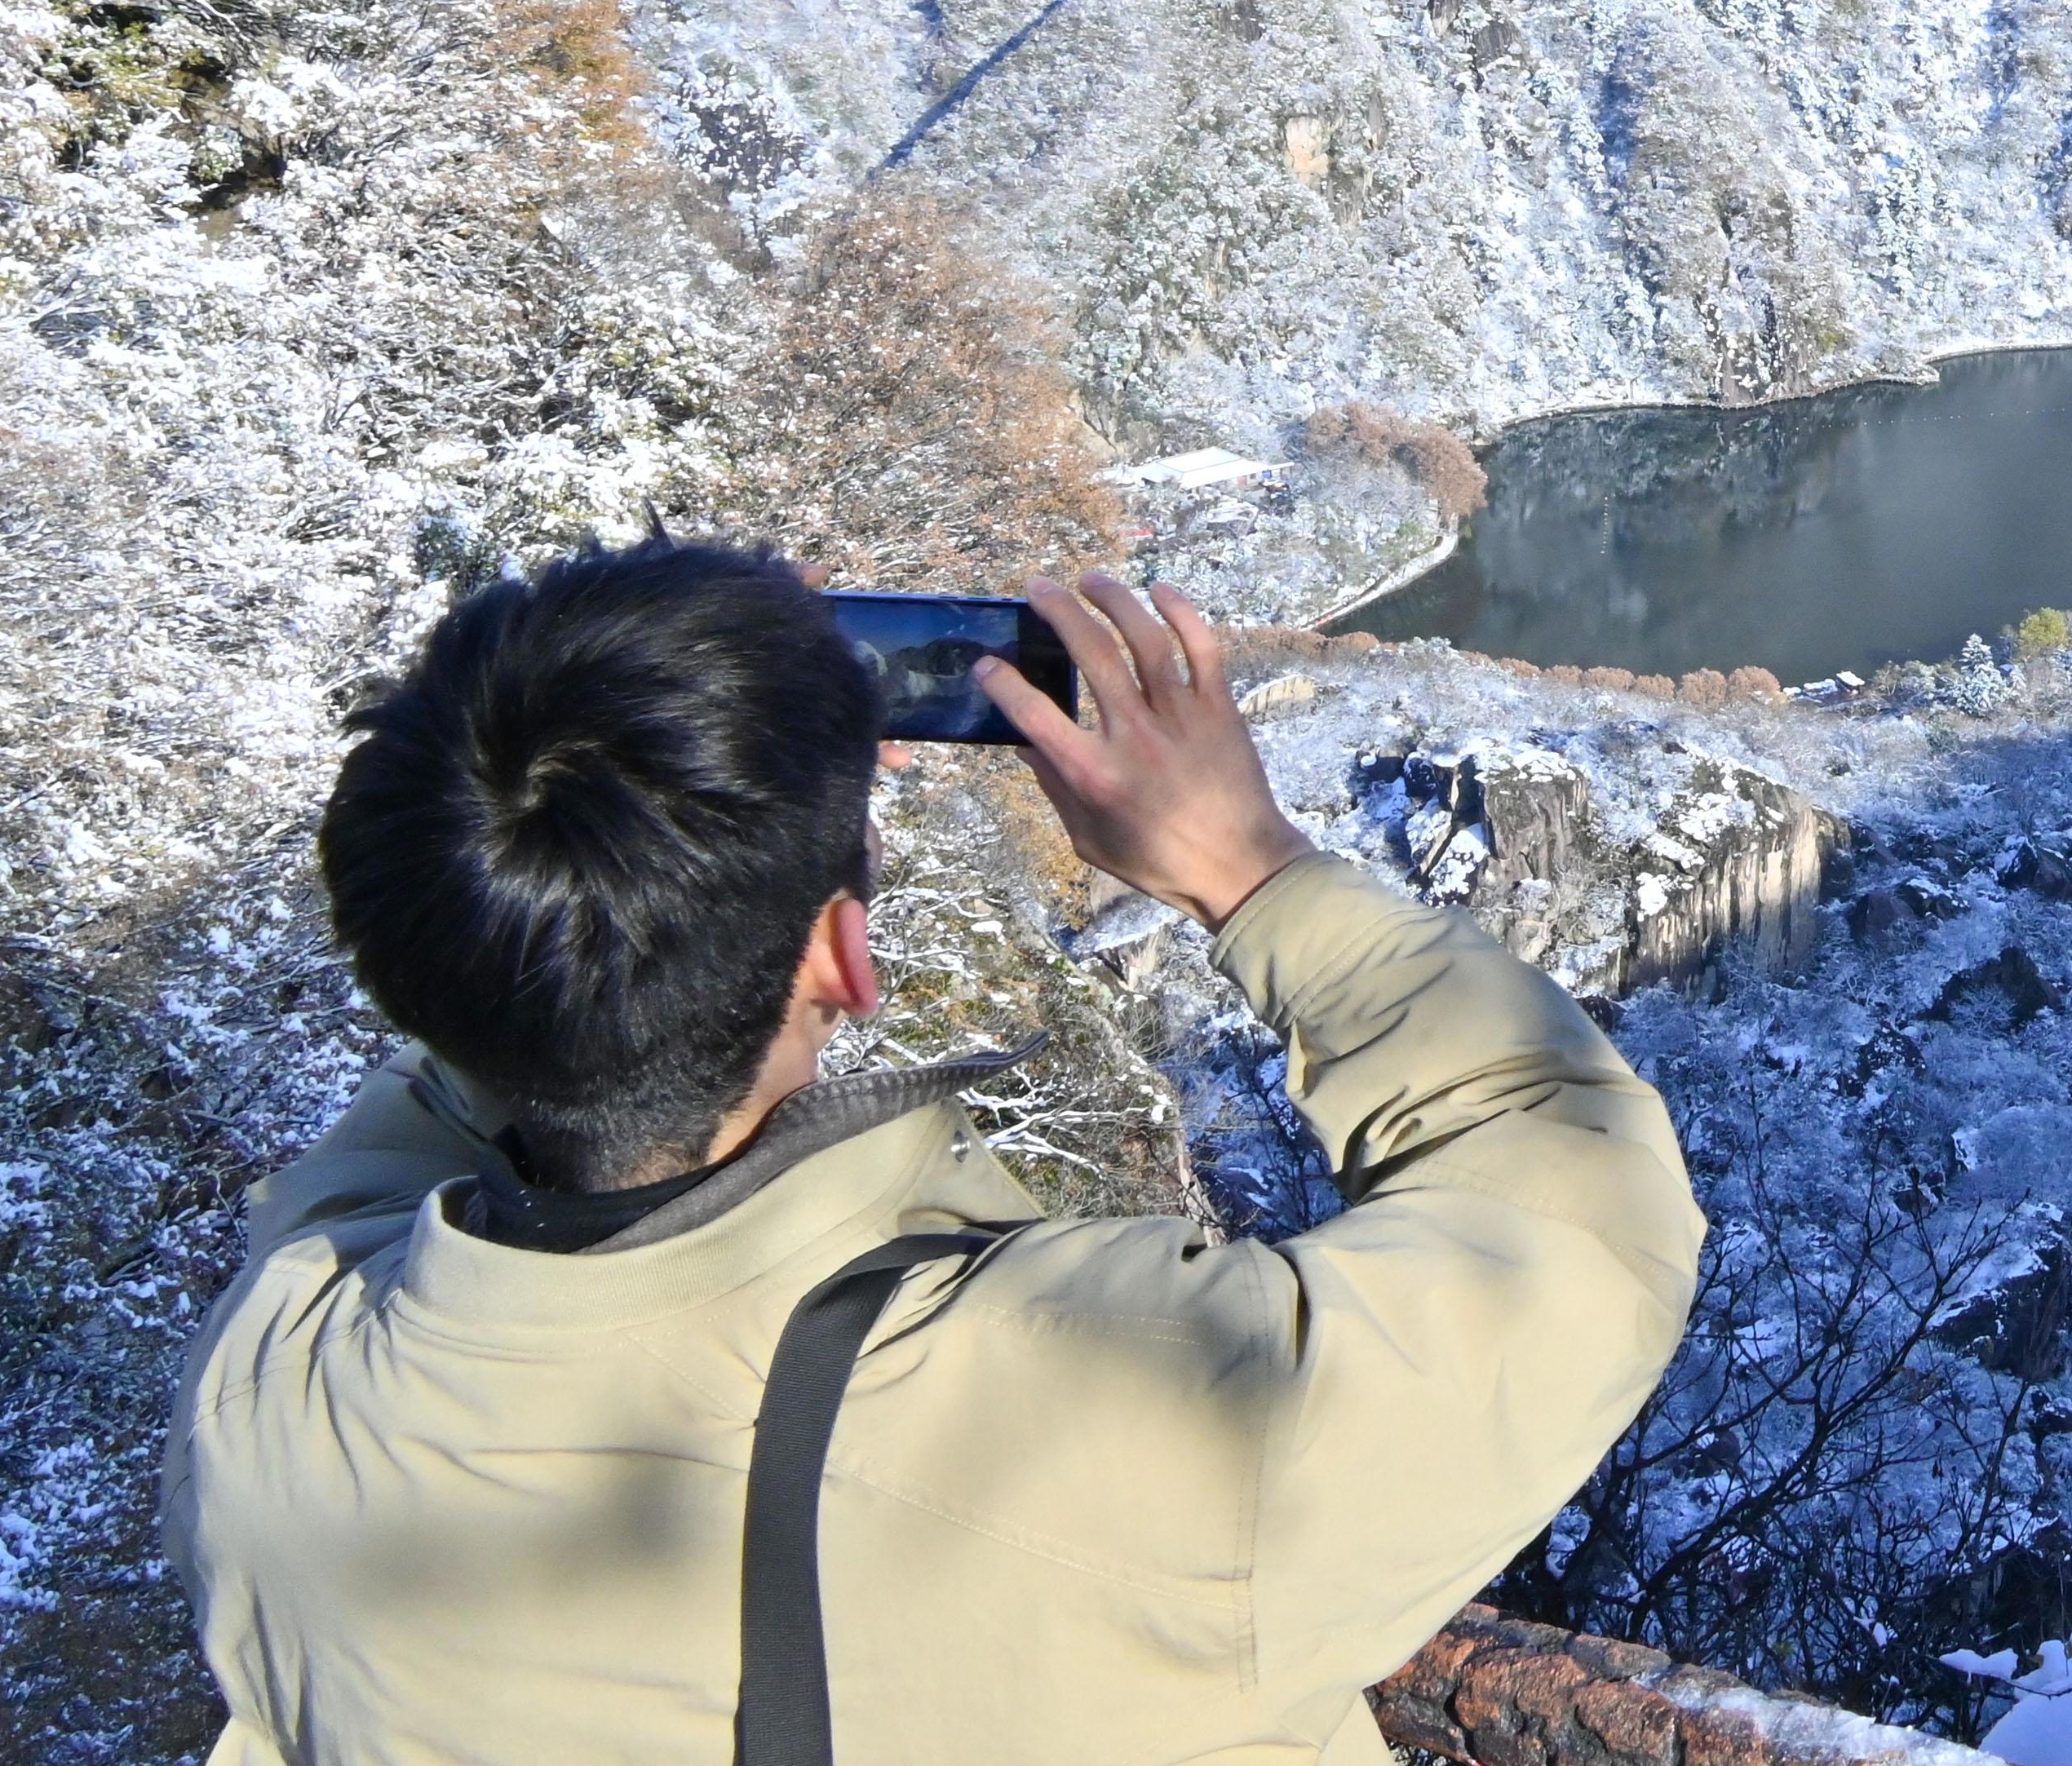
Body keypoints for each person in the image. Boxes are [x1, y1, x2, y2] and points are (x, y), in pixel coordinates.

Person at [162, 541, 1702, 1764]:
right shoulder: (1144, 1417)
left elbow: (476, 1034)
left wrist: (642, 835)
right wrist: (1247, 867)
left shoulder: (270, 1413)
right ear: (846, 958)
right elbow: (1583, 1205)